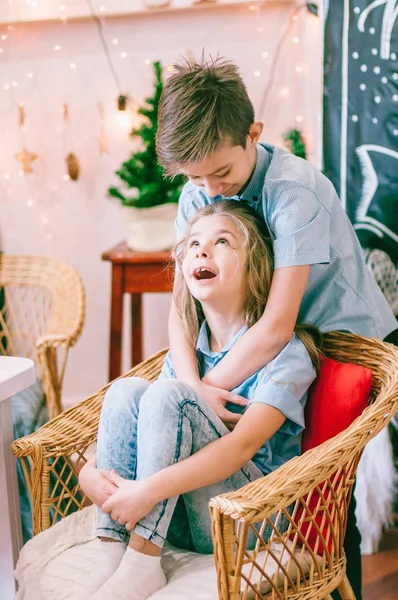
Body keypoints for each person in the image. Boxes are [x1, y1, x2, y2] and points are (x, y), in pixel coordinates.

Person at [155, 56, 398, 600]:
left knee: (327, 498)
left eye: (222, 173)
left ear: (253, 134)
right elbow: (180, 307)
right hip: (268, 345)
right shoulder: (196, 191)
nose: (209, 191)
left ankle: (333, 580)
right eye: (195, 178)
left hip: (339, 341)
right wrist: (188, 387)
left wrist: (200, 392)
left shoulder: (294, 192)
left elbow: (276, 326)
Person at [78, 200, 322, 600]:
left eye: (221, 241)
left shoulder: (287, 354)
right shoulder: (187, 354)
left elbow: (242, 447)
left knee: (170, 395)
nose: (201, 251)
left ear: (255, 265)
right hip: (174, 513)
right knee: (127, 390)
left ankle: (142, 562)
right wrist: (90, 471)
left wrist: (146, 492)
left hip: (247, 517)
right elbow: (145, 430)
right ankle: (113, 550)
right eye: (193, 244)